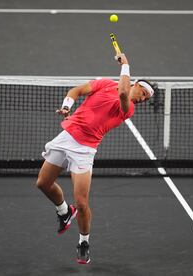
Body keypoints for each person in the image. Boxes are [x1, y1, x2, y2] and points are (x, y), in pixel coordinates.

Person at [35, 52, 157, 264]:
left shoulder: (128, 108)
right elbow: (77, 90)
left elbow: (122, 94)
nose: (143, 97)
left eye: (146, 98)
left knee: (82, 203)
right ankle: (64, 212)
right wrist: (67, 106)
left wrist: (125, 65)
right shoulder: (104, 84)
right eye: (143, 92)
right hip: (66, 137)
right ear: (136, 84)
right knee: (43, 183)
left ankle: (83, 243)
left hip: (84, 150)